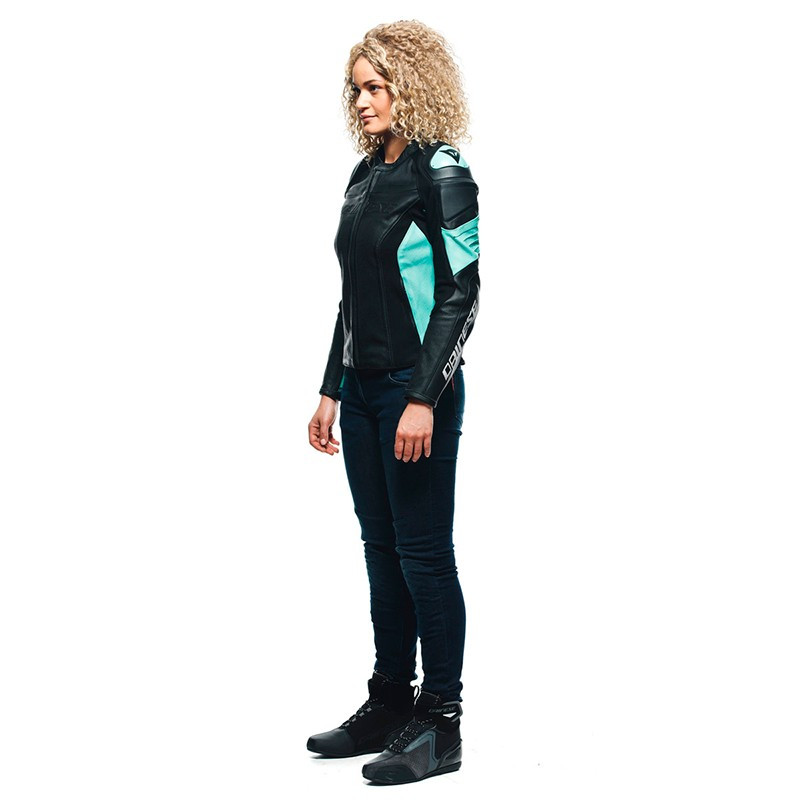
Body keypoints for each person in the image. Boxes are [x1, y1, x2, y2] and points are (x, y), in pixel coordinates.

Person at [306, 19, 480, 785]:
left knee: (424, 554)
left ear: (412, 85)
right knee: (380, 549)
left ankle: (441, 724)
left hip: (418, 395)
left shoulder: (443, 172)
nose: (364, 101)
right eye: (357, 88)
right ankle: (389, 701)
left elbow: (461, 294)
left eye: (376, 86)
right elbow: (353, 298)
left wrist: (422, 397)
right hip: (364, 393)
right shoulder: (363, 175)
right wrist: (330, 389)